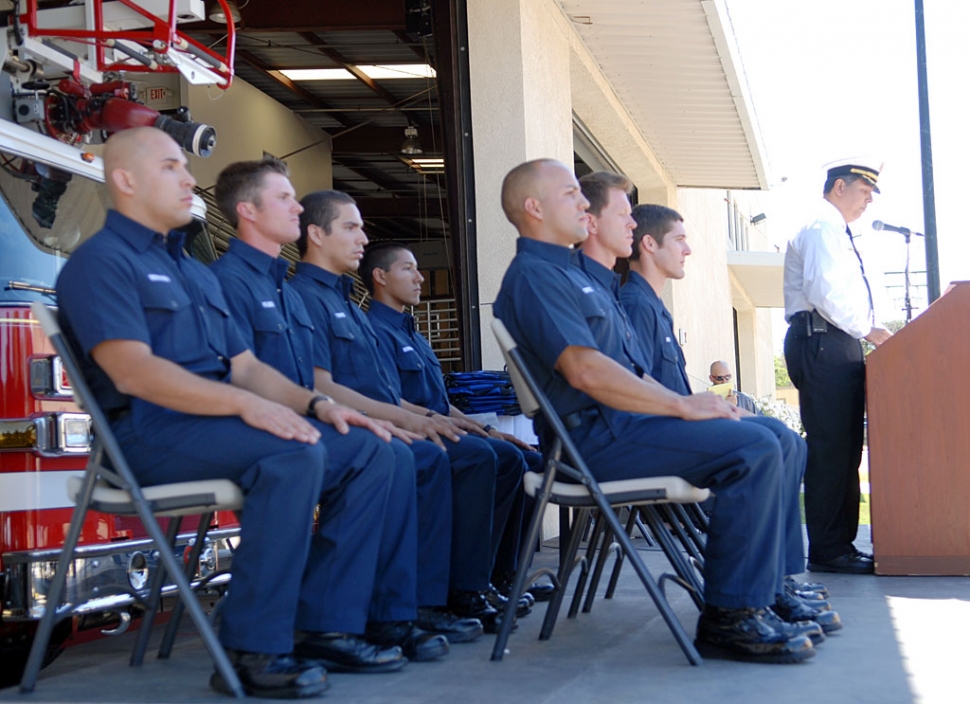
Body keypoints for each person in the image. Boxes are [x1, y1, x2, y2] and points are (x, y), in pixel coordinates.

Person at [55, 127, 367, 698]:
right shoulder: (100, 262)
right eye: (172, 166)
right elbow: (134, 372)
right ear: (125, 180)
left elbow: (247, 368)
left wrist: (314, 403)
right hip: (146, 435)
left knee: (349, 447)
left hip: (210, 427)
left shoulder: (195, 270)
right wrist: (250, 409)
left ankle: (329, 622)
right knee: (294, 456)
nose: (188, 178)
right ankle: (254, 648)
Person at [494, 158, 817, 664]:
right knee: (755, 446)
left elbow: (629, 371)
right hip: (593, 441)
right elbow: (585, 372)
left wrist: (693, 404)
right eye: (569, 195)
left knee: (771, 437)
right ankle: (730, 616)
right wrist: (679, 405)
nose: (583, 203)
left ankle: (762, 591)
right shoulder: (536, 276)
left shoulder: (570, 275)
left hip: (620, 428)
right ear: (534, 208)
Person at [208, 157, 450, 668]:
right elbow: (240, 375)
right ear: (248, 211)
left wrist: (355, 413)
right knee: (378, 453)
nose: (296, 207)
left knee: (389, 451)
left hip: (302, 424)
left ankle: (376, 615)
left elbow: (306, 384)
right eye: (284, 199)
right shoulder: (227, 282)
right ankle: (332, 621)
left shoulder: (284, 288)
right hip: (254, 431)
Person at [289, 190, 519, 632]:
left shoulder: (346, 306)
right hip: (339, 429)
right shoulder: (305, 297)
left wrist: (435, 418)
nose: (363, 237)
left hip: (378, 423)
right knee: (449, 457)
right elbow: (322, 386)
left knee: (489, 452)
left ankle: (462, 587)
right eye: (351, 227)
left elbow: (387, 392)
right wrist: (409, 420)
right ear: (316, 234)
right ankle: (429, 600)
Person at [612, 198, 837, 636]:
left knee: (787, 439)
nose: (688, 250)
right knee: (767, 442)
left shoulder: (653, 304)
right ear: (649, 244)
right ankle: (742, 602)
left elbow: (666, 386)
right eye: (679, 240)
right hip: (656, 430)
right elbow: (639, 387)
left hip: (674, 422)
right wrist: (698, 409)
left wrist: (710, 403)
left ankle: (776, 581)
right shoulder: (636, 305)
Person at [359, 240, 551, 604]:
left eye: (418, 269)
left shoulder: (413, 333)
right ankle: (468, 585)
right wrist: (441, 422)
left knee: (531, 461)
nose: (419, 278)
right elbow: (387, 399)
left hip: (440, 426)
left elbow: (443, 403)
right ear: (380, 277)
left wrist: (488, 429)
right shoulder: (374, 331)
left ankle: (503, 573)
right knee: (493, 459)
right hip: (411, 431)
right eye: (408, 269)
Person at [783, 159, 890, 575]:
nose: (867, 201)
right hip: (823, 339)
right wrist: (870, 331)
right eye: (864, 191)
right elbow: (824, 291)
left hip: (836, 341)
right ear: (839, 186)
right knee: (830, 448)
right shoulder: (821, 226)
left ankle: (840, 545)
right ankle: (827, 550)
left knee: (845, 449)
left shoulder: (835, 229)